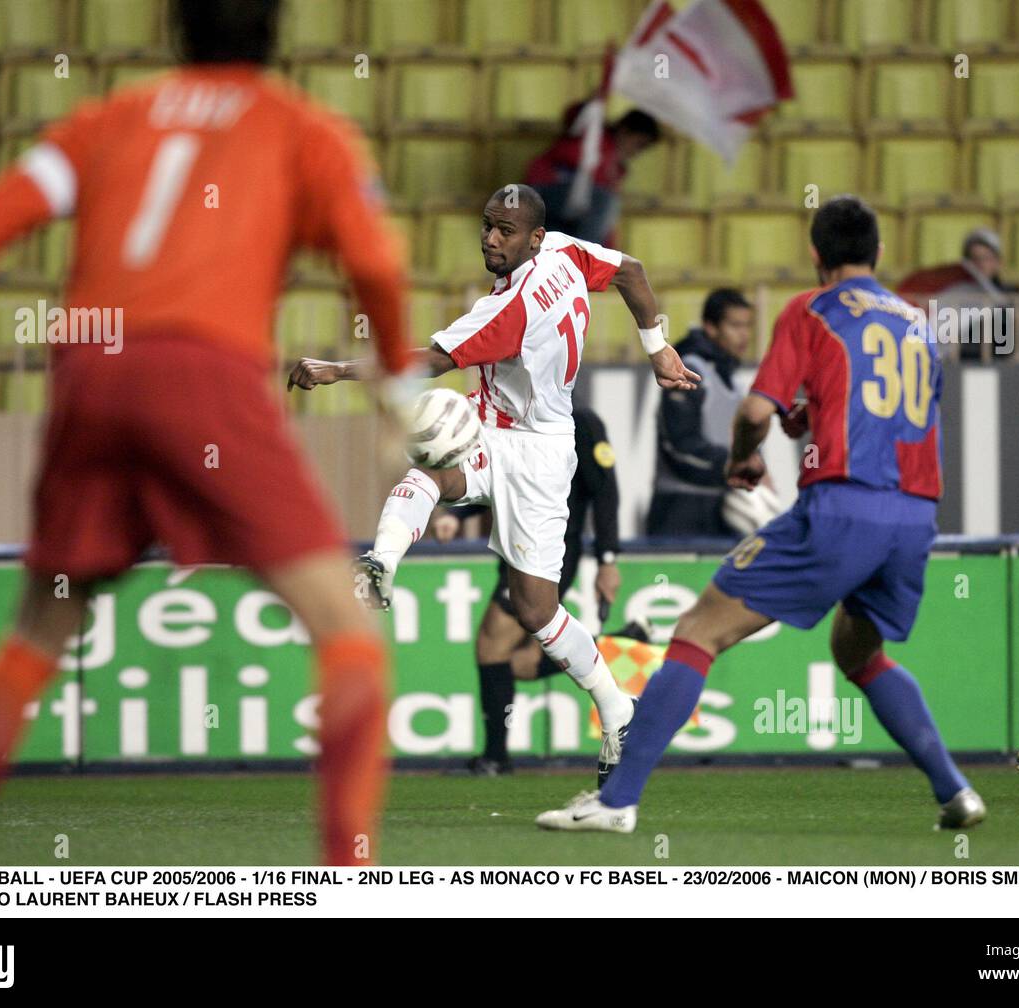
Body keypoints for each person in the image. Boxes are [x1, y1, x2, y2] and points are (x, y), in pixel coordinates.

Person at [0, 0, 411, 866]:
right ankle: (348, 874)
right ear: (276, 29)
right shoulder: (306, 130)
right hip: (205, 376)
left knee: (37, 633)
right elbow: (374, 262)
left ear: (173, 29)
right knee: (347, 629)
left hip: (87, 378)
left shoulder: (106, 118)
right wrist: (397, 378)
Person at [536, 195, 987, 833]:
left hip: (842, 507)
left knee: (697, 630)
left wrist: (741, 461)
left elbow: (752, 413)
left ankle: (616, 802)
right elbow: (892, 414)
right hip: (914, 516)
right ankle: (956, 792)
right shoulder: (916, 321)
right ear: (879, 254)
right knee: (859, 652)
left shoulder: (812, 308)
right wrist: (810, 417)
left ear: (814, 254)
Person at [289, 183, 699, 788]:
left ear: (534, 236)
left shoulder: (511, 309)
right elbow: (631, 272)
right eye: (487, 225)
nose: (491, 237)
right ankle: (380, 563)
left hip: (538, 456)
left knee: (537, 609)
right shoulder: (564, 252)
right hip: (496, 431)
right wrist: (657, 346)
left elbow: (425, 361)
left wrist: (337, 370)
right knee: (430, 459)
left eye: (505, 230)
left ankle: (617, 708)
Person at [433, 401, 622, 774]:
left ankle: (495, 757)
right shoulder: (510, 423)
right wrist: (455, 515)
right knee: (512, 664)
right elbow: (497, 483)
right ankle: (612, 646)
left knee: (491, 643)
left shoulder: (581, 422)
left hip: (549, 552)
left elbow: (605, 492)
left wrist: (608, 560)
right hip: (515, 549)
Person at [647, 287, 791, 539]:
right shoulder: (689, 372)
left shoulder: (732, 382)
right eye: (735, 326)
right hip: (680, 512)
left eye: (747, 326)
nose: (744, 335)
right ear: (711, 327)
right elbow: (680, 446)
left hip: (721, 510)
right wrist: (733, 463)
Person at [896, 227, 1019, 358]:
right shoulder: (957, 287)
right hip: (965, 351)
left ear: (998, 262)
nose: (980, 265)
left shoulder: (1014, 293)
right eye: (975, 259)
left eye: (986, 258)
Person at [525, 107, 660, 245]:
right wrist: (598, 98)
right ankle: (587, 259)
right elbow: (574, 115)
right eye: (638, 144)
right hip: (543, 193)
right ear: (624, 131)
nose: (637, 152)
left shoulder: (616, 169)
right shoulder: (593, 135)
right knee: (603, 200)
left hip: (563, 214)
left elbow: (604, 223)